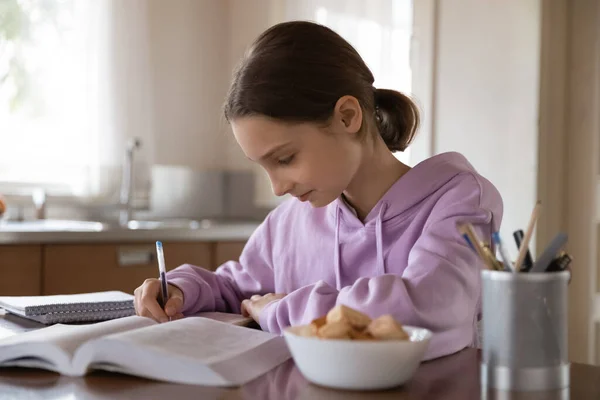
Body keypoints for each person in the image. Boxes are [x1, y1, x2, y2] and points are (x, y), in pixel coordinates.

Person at [133, 21, 503, 360]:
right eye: (263, 166)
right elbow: (238, 290)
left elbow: (429, 313)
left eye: (286, 158)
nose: (277, 187)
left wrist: (284, 309)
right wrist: (181, 289)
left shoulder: (459, 201)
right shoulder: (291, 221)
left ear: (347, 117)